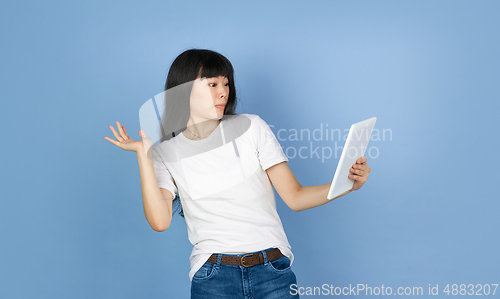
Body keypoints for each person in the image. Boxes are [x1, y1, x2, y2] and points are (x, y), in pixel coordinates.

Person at [104, 49, 371, 298]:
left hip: (272, 270)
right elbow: (159, 222)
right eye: (212, 84)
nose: (223, 93)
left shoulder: (251, 127)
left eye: (226, 83)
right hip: (213, 276)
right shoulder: (165, 154)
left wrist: (346, 184)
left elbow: (295, 197)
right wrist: (143, 155)